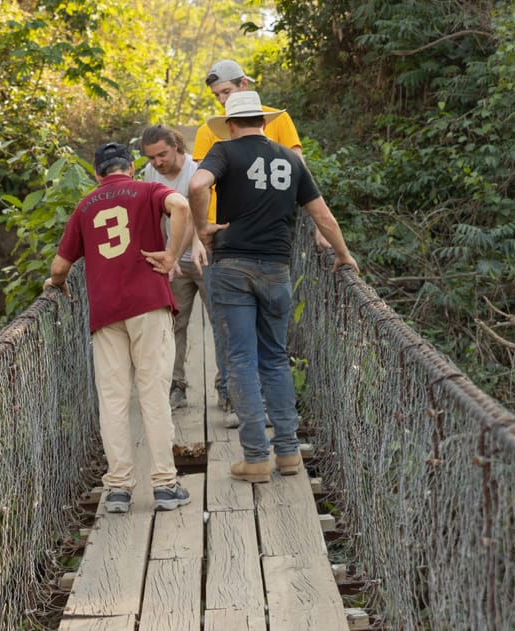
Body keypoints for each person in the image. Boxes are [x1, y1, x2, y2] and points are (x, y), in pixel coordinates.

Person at [189, 91, 359, 483]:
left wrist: (202, 228)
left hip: (232, 267)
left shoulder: (223, 151)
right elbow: (323, 216)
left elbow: (198, 185)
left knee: (241, 360)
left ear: (230, 125)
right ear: (264, 122)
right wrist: (343, 254)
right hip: (277, 269)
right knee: (276, 358)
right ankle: (288, 453)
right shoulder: (291, 159)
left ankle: (255, 458)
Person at [44, 141, 191, 514]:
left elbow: (59, 267)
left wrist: (57, 284)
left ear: (97, 174)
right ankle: (165, 484)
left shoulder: (85, 206)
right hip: (149, 305)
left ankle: (119, 489)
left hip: (106, 313)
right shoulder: (149, 190)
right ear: (132, 168)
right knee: (153, 394)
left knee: (112, 400)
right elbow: (181, 206)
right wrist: (172, 255)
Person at [192, 58, 329, 425]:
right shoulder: (209, 130)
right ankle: (236, 399)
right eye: (216, 95)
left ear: (244, 84)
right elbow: (200, 186)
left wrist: (319, 225)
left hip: (268, 236)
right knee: (229, 329)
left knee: (258, 334)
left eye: (226, 92)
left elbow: (301, 173)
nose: (222, 100)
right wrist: (199, 234)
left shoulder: (278, 120)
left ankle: (261, 408)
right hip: (222, 240)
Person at [141, 124, 209, 411]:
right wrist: (163, 257)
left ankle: (227, 390)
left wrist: (176, 254)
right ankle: (176, 385)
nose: (158, 162)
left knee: (222, 323)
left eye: (162, 155)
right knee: (174, 324)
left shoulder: (197, 171)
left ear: (176, 147)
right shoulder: (151, 173)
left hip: (204, 257)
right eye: (151, 157)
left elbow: (195, 217)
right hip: (173, 261)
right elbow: (154, 216)